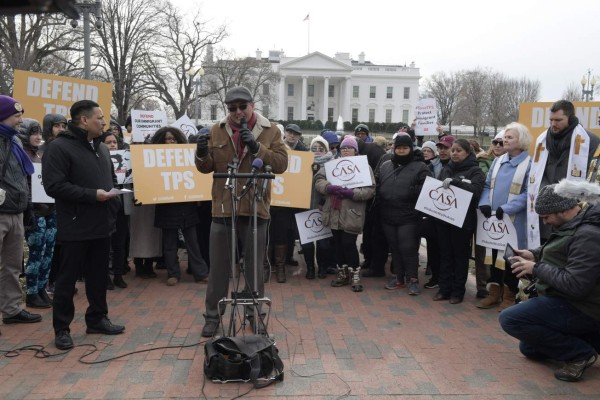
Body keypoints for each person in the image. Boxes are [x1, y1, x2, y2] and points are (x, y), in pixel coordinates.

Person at [195, 86, 288, 337]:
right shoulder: (217, 129)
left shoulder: (271, 130)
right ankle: (213, 316)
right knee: (219, 269)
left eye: (242, 107)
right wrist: (201, 152)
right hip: (223, 207)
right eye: (232, 108)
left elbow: (281, 164)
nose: (237, 112)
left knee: (254, 267)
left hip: (255, 208)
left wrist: (257, 147)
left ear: (252, 105)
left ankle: (253, 313)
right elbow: (206, 168)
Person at [42, 100, 124, 350]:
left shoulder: (101, 148)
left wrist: (112, 201)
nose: (104, 122)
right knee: (67, 280)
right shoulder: (59, 148)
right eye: (99, 117)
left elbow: (109, 180)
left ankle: (97, 318)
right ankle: (62, 329)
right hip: (75, 226)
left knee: (99, 276)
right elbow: (54, 186)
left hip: (102, 224)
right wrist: (93, 195)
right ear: (84, 120)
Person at [499, 182, 600, 382]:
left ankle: (580, 353)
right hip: (565, 300)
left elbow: (576, 286)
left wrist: (535, 268)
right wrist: (533, 254)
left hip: (583, 308)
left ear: (563, 210)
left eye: (546, 217)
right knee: (529, 347)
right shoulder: (575, 224)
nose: (545, 222)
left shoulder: (588, 235)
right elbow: (561, 250)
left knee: (511, 319)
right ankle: (589, 340)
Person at [527, 100, 600, 248]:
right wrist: (547, 192)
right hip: (547, 204)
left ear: (570, 118)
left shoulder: (589, 141)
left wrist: (563, 196)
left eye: (558, 120)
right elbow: (540, 172)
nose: (553, 124)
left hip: (572, 207)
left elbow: (591, 175)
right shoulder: (543, 140)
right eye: (551, 120)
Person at [476, 123, 531, 310]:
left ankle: (510, 295)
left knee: (511, 258)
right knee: (492, 257)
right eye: (504, 137)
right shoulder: (497, 161)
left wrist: (507, 208)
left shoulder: (529, 163)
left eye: (509, 138)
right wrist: (484, 202)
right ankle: (494, 292)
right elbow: (486, 186)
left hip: (514, 222)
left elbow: (528, 192)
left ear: (521, 140)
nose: (504, 141)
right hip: (493, 221)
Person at [0, 95, 42, 329]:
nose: (20, 120)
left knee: (13, 264)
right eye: (16, 116)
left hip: (15, 211)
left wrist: (27, 208)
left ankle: (12, 309)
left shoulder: (14, 141)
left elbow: (23, 176)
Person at [314, 135, 375, 292]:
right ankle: (342, 272)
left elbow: (370, 190)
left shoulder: (364, 167)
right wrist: (329, 187)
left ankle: (354, 273)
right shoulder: (331, 165)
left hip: (352, 212)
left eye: (349, 148)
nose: (346, 150)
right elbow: (318, 180)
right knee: (338, 244)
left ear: (355, 150)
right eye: (343, 148)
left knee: (348, 243)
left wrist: (352, 193)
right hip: (333, 210)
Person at [151, 127, 209, 286]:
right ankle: (173, 273)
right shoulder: (155, 160)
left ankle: (201, 273)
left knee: (193, 242)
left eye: (173, 139)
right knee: (169, 243)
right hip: (166, 205)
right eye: (166, 139)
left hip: (186, 205)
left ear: (179, 140)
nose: (170, 142)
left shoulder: (188, 157)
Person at [377, 133, 431, 295]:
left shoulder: (421, 166)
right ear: (393, 148)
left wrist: (411, 191)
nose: (401, 151)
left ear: (411, 148)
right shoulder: (386, 165)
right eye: (398, 147)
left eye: (405, 148)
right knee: (394, 248)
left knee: (408, 247)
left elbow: (427, 188)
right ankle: (398, 276)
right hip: (388, 213)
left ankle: (413, 278)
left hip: (409, 215)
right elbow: (378, 182)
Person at [433, 139, 485, 304]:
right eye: (453, 150)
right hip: (444, 220)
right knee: (445, 255)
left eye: (459, 150)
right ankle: (444, 289)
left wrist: (457, 183)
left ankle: (457, 291)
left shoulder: (475, 171)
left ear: (468, 153)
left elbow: (476, 192)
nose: (454, 153)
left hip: (463, 222)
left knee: (460, 256)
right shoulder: (446, 169)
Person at [19, 118, 56, 308]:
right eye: (34, 133)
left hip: (49, 210)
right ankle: (32, 292)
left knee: (48, 252)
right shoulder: (23, 155)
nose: (38, 137)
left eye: (40, 133)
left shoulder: (39, 155)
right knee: (36, 253)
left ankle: (42, 288)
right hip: (35, 212)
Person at [100, 131, 129, 289]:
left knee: (120, 243)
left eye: (115, 142)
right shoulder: (98, 159)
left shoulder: (126, 159)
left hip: (121, 207)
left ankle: (118, 274)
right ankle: (105, 277)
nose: (112, 145)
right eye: (109, 142)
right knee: (106, 244)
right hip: (105, 207)